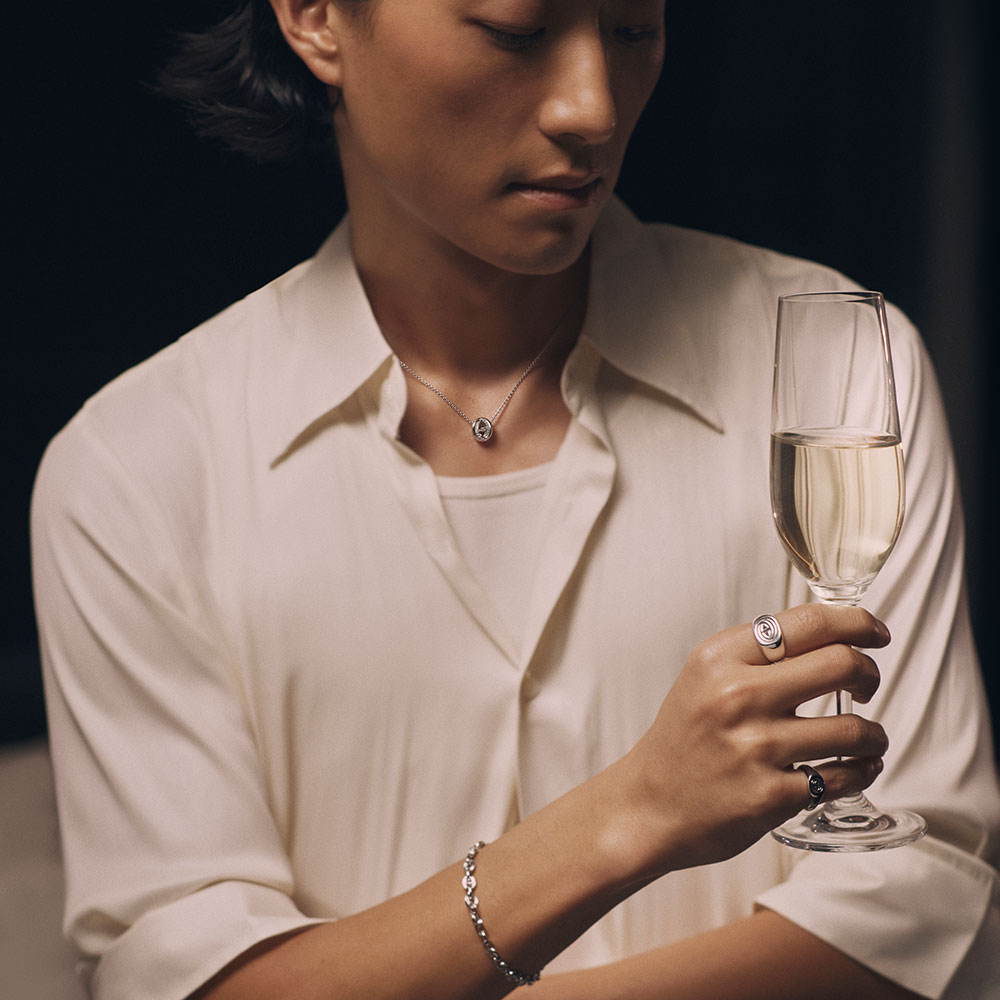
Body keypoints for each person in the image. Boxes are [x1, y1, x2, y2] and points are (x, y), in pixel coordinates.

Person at [31, 1, 1000, 998]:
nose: (593, 108)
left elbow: (919, 899)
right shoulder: (137, 469)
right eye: (515, 30)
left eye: (632, 30)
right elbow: (192, 977)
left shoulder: (837, 370)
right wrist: (634, 809)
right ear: (317, 18)